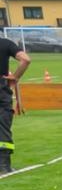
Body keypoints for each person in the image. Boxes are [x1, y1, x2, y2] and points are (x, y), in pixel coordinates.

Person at [0, 35, 29, 174]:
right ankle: (4, 166)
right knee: (3, 124)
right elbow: (25, 59)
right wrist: (15, 77)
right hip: (1, 88)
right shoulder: (5, 43)